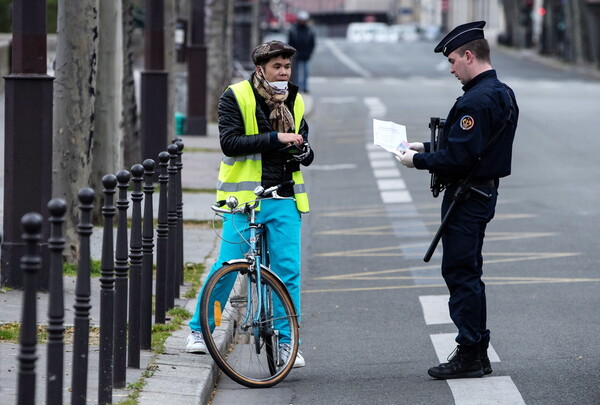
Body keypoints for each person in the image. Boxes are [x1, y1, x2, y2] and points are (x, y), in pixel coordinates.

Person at [397, 21, 519, 380]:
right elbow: (475, 147)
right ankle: (476, 352)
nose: (450, 68)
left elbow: (461, 158)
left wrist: (416, 160)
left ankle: (470, 353)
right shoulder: (500, 92)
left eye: (452, 60)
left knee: (461, 274)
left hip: (468, 195)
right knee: (468, 272)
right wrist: (427, 145)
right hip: (481, 192)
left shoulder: (476, 100)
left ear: (469, 56)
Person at [185, 40, 314, 369]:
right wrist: (276, 138)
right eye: (277, 68)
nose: (284, 73)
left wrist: (304, 151)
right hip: (245, 200)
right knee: (227, 267)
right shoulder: (236, 95)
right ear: (261, 70)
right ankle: (200, 330)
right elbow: (229, 143)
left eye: (287, 67)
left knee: (288, 274)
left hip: (284, 195)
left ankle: (288, 343)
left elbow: (305, 146)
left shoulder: (294, 100)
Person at [288, 10, 316, 93]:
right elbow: (290, 42)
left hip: (306, 55)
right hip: (296, 54)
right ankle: (296, 87)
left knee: (305, 72)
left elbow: (312, 43)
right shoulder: (293, 30)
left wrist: (308, 53)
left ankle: (304, 87)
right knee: (295, 72)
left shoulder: (310, 31)